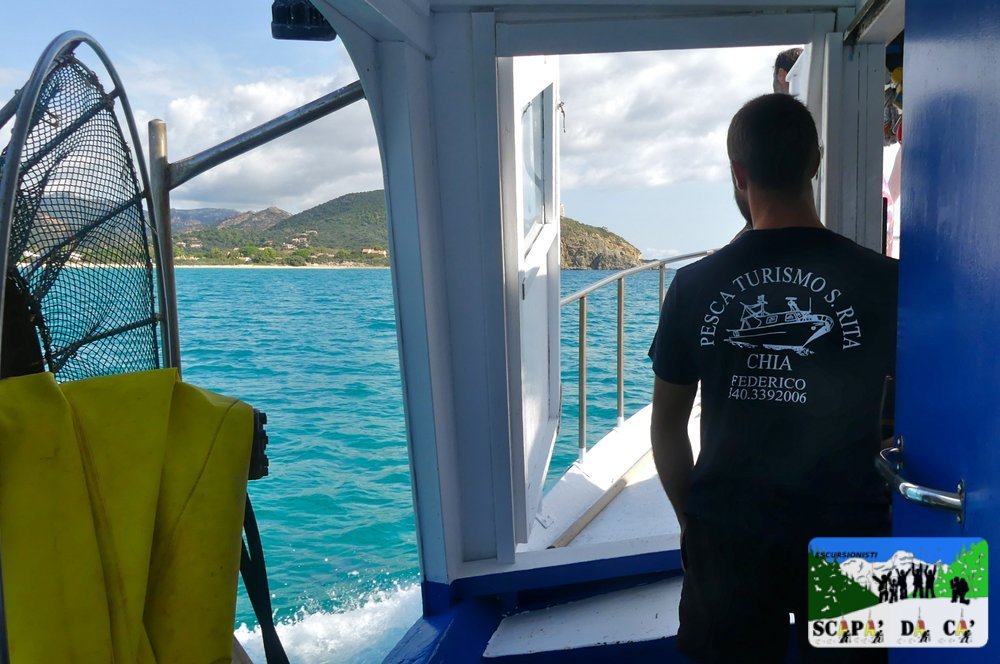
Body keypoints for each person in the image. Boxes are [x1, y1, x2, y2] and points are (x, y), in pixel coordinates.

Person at [649, 94, 897, 662]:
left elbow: (666, 428)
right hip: (852, 534)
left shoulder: (692, 285)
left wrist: (694, 523)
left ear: (738, 174)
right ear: (816, 162)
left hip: (727, 534)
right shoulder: (887, 281)